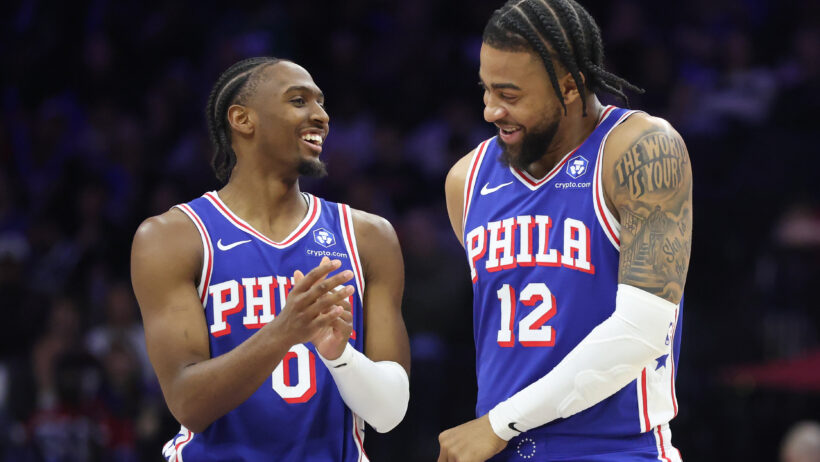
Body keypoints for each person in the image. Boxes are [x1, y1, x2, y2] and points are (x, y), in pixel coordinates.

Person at [439, 1, 692, 461]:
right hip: (501, 449)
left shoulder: (641, 149)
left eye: (509, 95)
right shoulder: (466, 180)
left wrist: (498, 423)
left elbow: (643, 331)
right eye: (486, 91)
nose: (491, 111)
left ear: (570, 87)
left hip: (616, 449)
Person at [130, 57, 410, 461]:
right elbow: (188, 404)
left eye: (321, 103)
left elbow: (389, 414)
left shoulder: (368, 236)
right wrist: (284, 331)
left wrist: (339, 355)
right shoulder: (173, 237)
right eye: (299, 101)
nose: (321, 116)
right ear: (243, 119)